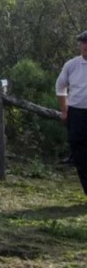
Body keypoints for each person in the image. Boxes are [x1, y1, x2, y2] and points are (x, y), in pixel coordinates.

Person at [56, 30, 87, 196]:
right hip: (77, 113)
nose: (85, 46)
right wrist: (64, 109)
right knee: (80, 152)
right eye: (83, 43)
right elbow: (60, 87)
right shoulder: (72, 65)